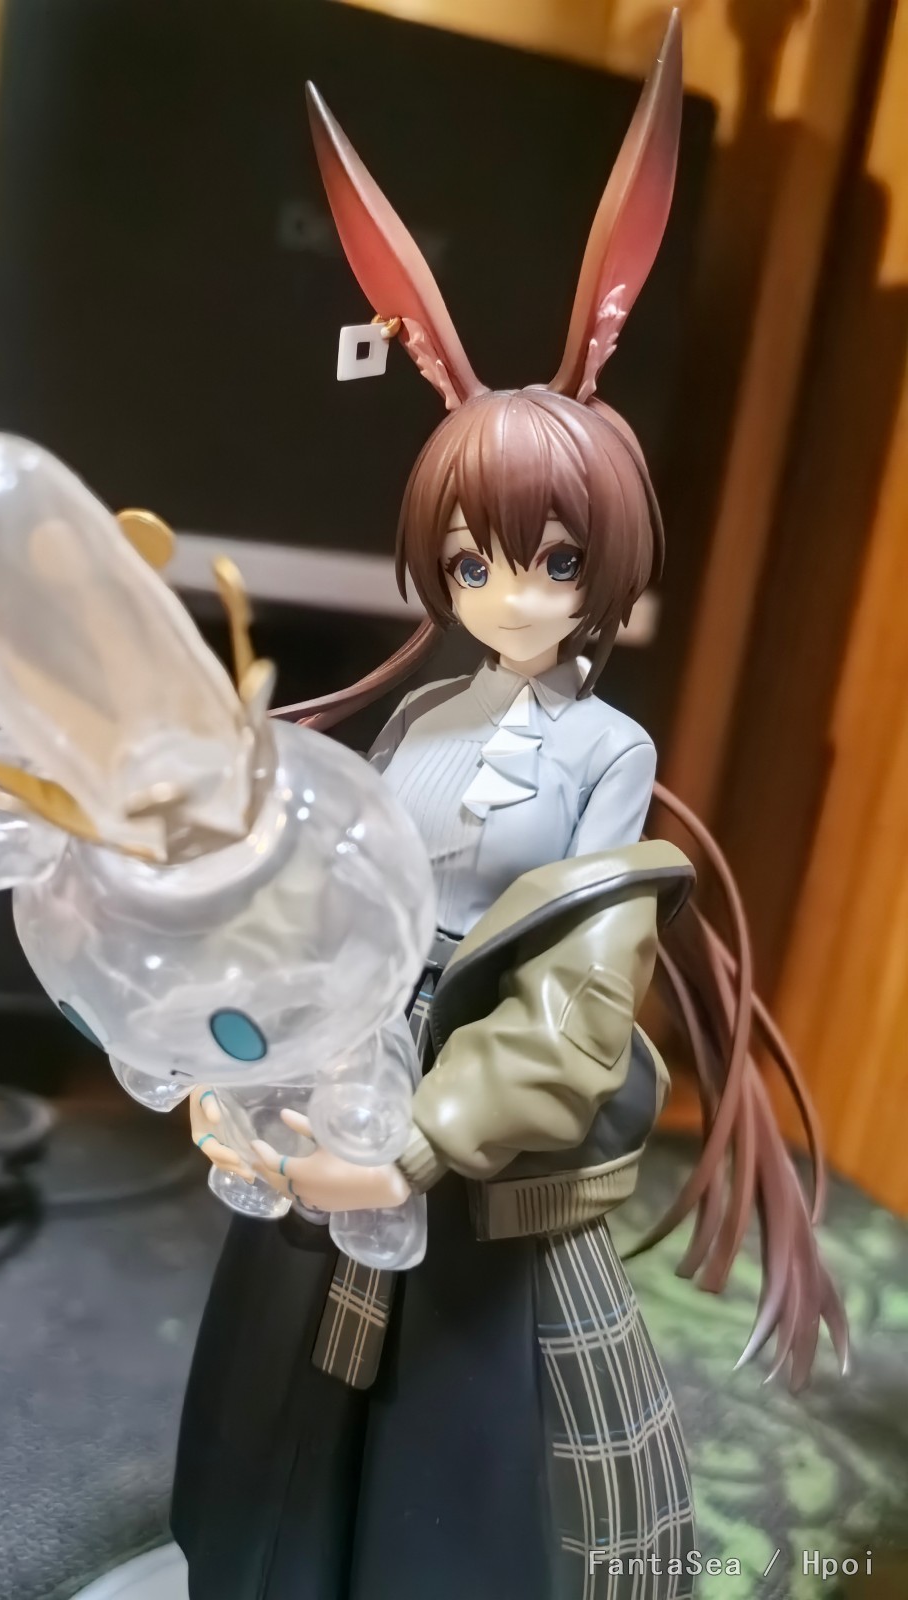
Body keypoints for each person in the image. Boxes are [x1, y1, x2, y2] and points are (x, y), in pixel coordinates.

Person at [172, 15, 845, 1597]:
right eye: (474, 560)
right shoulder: (418, 715)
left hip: (479, 1144)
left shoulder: (609, 752)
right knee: (273, 1420)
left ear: (603, 561)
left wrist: (419, 1144)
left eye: (551, 559)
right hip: (348, 1087)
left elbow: (576, 1010)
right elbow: (336, 904)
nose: (511, 592)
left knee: (457, 1464)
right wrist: (240, 1053)